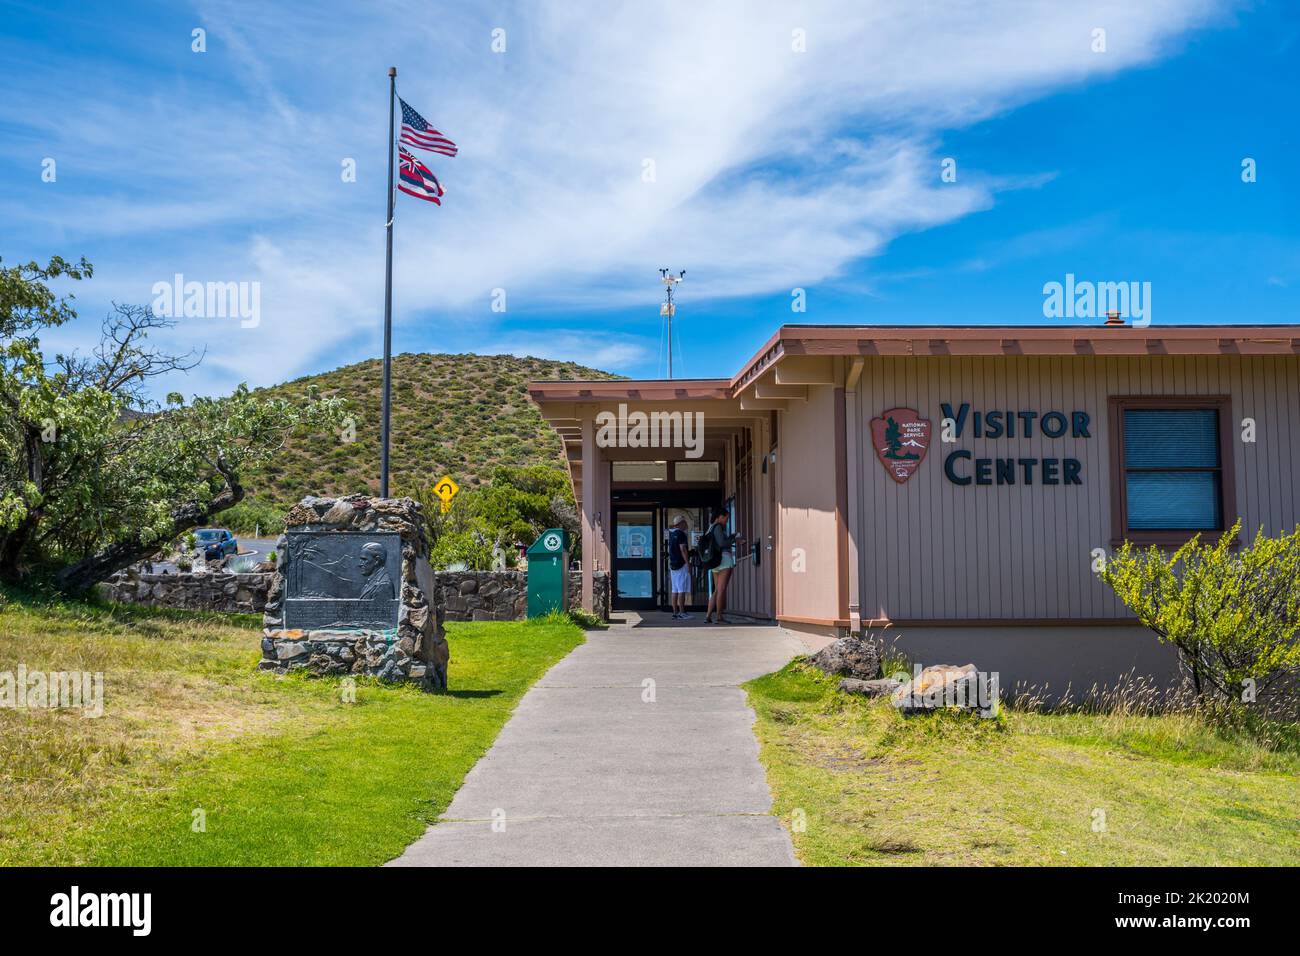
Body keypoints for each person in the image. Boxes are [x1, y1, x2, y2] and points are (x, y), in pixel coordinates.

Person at [704, 507, 743, 624]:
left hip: (714, 562)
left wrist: (730, 537)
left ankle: (708, 615)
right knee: (721, 589)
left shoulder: (710, 528)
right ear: (720, 517)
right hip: (724, 559)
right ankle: (719, 617)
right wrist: (734, 540)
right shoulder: (718, 527)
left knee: (716, 590)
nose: (727, 520)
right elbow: (722, 543)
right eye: (726, 517)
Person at [667, 516, 693, 620]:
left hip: (673, 565)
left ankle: (675, 613)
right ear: (681, 523)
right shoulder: (681, 534)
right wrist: (688, 563)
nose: (686, 525)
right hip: (681, 564)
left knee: (675, 589)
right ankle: (682, 612)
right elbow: (683, 549)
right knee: (682, 589)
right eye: (685, 522)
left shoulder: (672, 534)